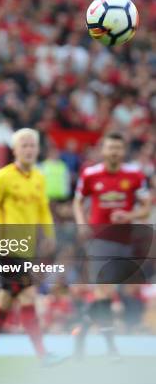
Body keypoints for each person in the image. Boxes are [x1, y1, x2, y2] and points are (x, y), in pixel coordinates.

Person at [0, 128, 62, 368]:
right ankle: (43, 355)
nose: (29, 149)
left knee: (4, 302)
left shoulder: (40, 178)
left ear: (38, 149)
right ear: (15, 150)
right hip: (8, 249)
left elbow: (43, 209)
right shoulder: (1, 177)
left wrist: (50, 235)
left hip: (27, 250)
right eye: (25, 145)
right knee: (28, 295)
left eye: (33, 145)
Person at [72, 132, 151, 360]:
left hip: (126, 243)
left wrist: (129, 214)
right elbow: (78, 201)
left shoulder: (135, 175)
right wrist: (81, 224)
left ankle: (81, 331)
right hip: (99, 240)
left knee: (104, 296)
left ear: (123, 151)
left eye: (118, 148)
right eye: (110, 148)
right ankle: (111, 349)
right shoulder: (90, 174)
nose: (114, 152)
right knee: (104, 290)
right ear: (103, 150)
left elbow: (146, 208)